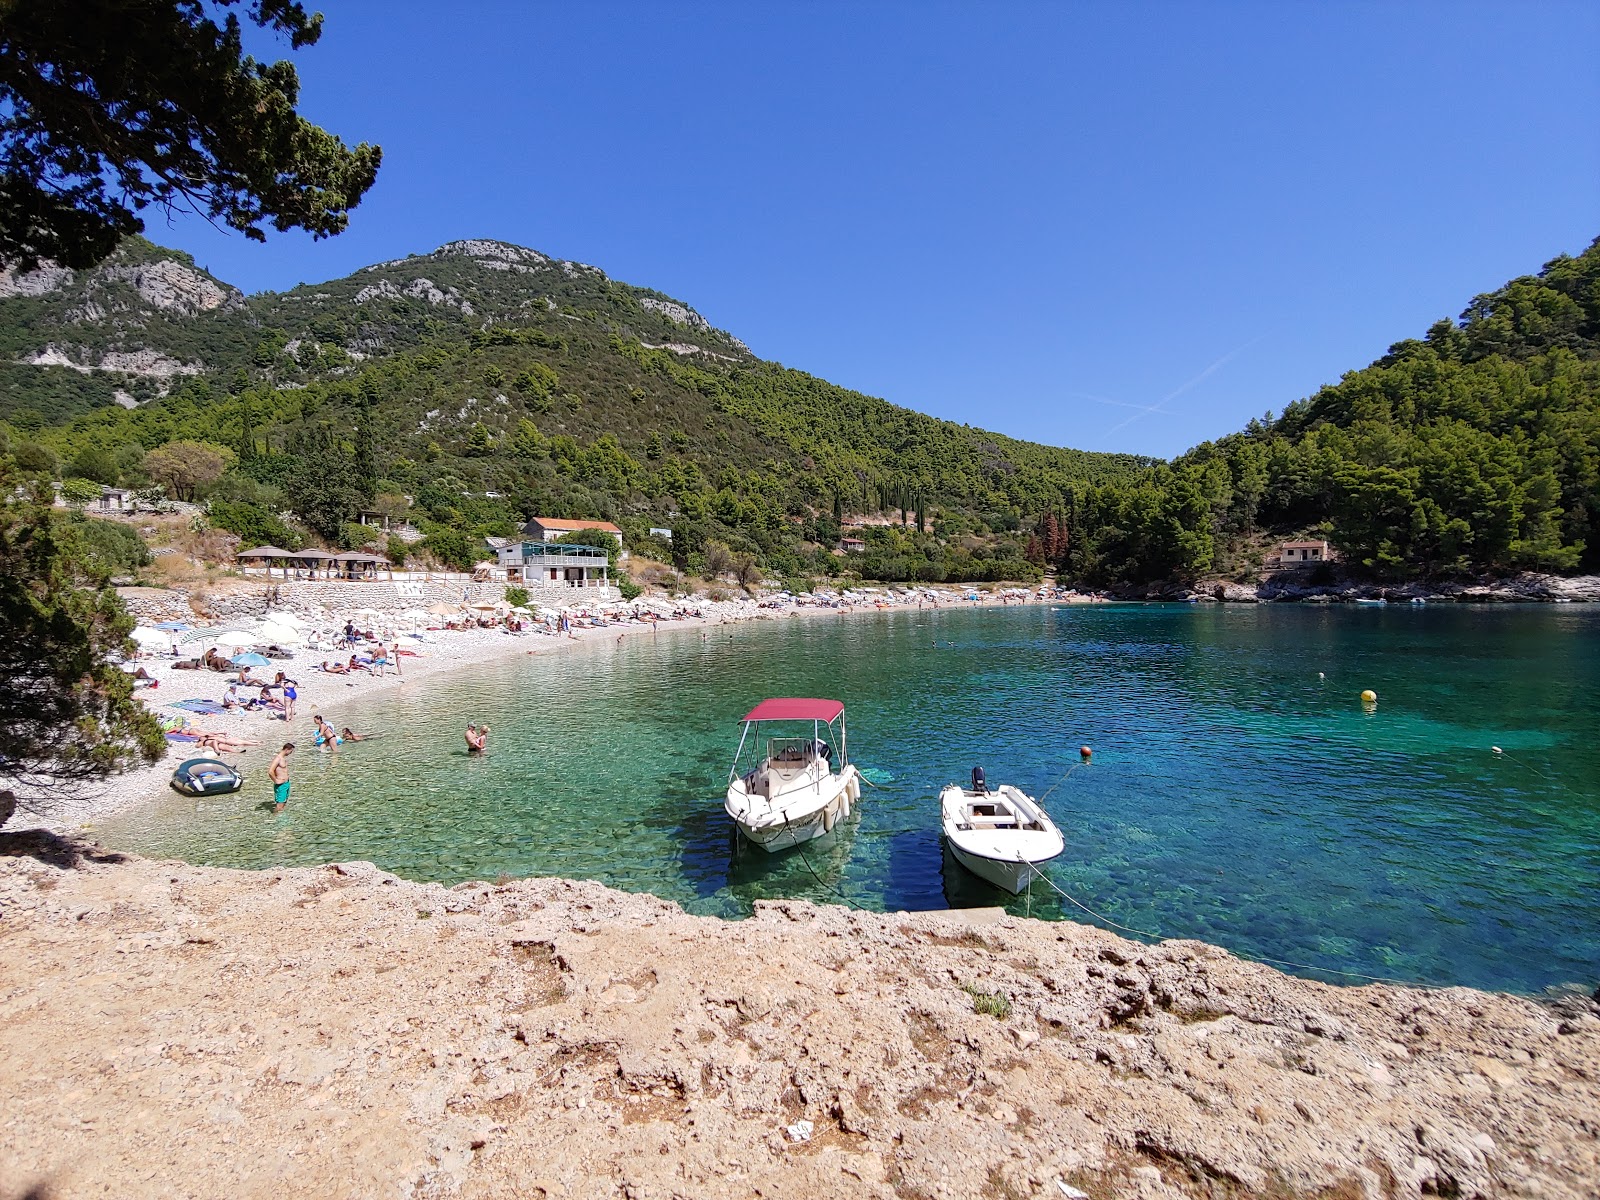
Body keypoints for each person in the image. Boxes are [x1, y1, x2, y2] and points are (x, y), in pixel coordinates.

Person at [269, 743, 294, 812]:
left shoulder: (283, 759)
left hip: (286, 784)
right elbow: (270, 771)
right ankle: (274, 818)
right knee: (279, 806)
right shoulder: (278, 759)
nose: (290, 753)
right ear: (287, 749)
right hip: (281, 785)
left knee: (283, 803)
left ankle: (281, 820)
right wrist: (276, 780)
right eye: (290, 751)